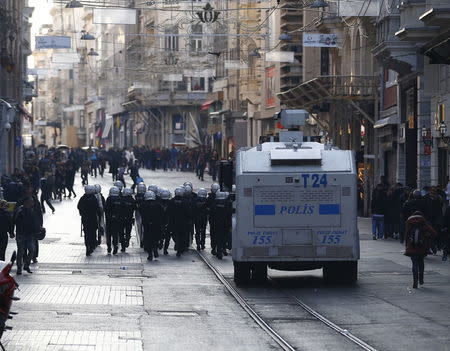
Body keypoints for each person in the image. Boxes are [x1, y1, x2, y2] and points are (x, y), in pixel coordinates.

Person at [404, 211, 437, 288]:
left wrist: (407, 246)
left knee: (414, 264)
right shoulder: (424, 225)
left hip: (411, 248)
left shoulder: (410, 225)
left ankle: (415, 280)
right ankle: (421, 279)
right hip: (422, 248)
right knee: (421, 262)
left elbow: (406, 236)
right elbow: (434, 233)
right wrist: (427, 238)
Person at [13, 197, 40, 274]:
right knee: (21, 251)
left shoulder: (32, 211)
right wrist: (11, 231)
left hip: (30, 235)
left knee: (32, 250)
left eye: (32, 202)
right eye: (30, 202)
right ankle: (19, 267)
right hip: (21, 234)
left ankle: (26, 264)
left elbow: (35, 222)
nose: (32, 204)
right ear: (25, 203)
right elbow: (13, 221)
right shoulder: (19, 211)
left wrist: (38, 228)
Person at [140, 191, 164, 261]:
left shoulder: (143, 205)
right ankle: (155, 249)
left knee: (148, 239)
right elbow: (162, 214)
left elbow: (141, 213)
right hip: (156, 225)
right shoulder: (158, 205)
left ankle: (150, 253)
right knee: (156, 238)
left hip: (147, 225)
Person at [77, 185, 100, 256]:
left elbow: (78, 206)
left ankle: (87, 246)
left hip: (85, 218)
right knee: (92, 232)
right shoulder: (94, 198)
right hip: (93, 218)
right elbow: (97, 208)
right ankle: (92, 245)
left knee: (86, 233)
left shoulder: (83, 198)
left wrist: (82, 213)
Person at [209, 191, 232, 259]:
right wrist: (229, 224)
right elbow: (229, 215)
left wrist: (211, 223)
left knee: (214, 237)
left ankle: (215, 249)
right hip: (225, 225)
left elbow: (211, 215)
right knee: (224, 237)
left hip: (215, 224)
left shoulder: (214, 204)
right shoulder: (227, 204)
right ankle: (223, 248)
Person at [167, 187, 189, 257]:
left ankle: (177, 243)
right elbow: (188, 211)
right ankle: (180, 247)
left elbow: (168, 211)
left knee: (174, 234)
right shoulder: (185, 202)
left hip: (174, 222)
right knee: (182, 235)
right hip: (183, 222)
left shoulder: (172, 201)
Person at [104, 186, 122, 255]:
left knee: (108, 234)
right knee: (115, 234)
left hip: (109, 220)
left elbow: (105, 209)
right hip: (117, 220)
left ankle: (109, 247)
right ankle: (115, 246)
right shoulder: (119, 199)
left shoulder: (109, 199)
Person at [207, 183, 220, 254]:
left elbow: (207, 208)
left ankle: (214, 247)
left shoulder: (210, 198)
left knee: (213, 235)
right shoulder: (224, 200)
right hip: (220, 221)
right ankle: (220, 248)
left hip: (213, 221)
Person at [159, 189, 172, 255]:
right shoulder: (171, 203)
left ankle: (162, 244)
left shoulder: (159, 202)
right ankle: (165, 249)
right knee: (167, 236)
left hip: (162, 221)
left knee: (162, 235)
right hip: (167, 221)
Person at [134, 183, 147, 248]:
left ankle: (142, 240)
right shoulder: (146, 197)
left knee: (140, 228)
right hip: (145, 214)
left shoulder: (137, 196)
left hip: (139, 214)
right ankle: (143, 240)